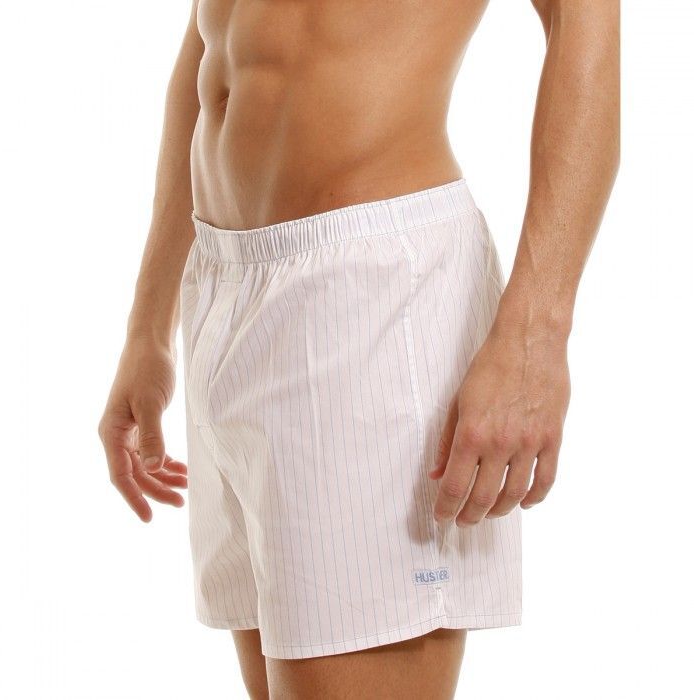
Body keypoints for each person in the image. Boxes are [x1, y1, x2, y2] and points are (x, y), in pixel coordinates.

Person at [98, 0, 619, 696]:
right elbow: (207, 47)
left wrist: (536, 336)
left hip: (371, 292)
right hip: (224, 285)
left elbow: (585, 23)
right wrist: (147, 330)